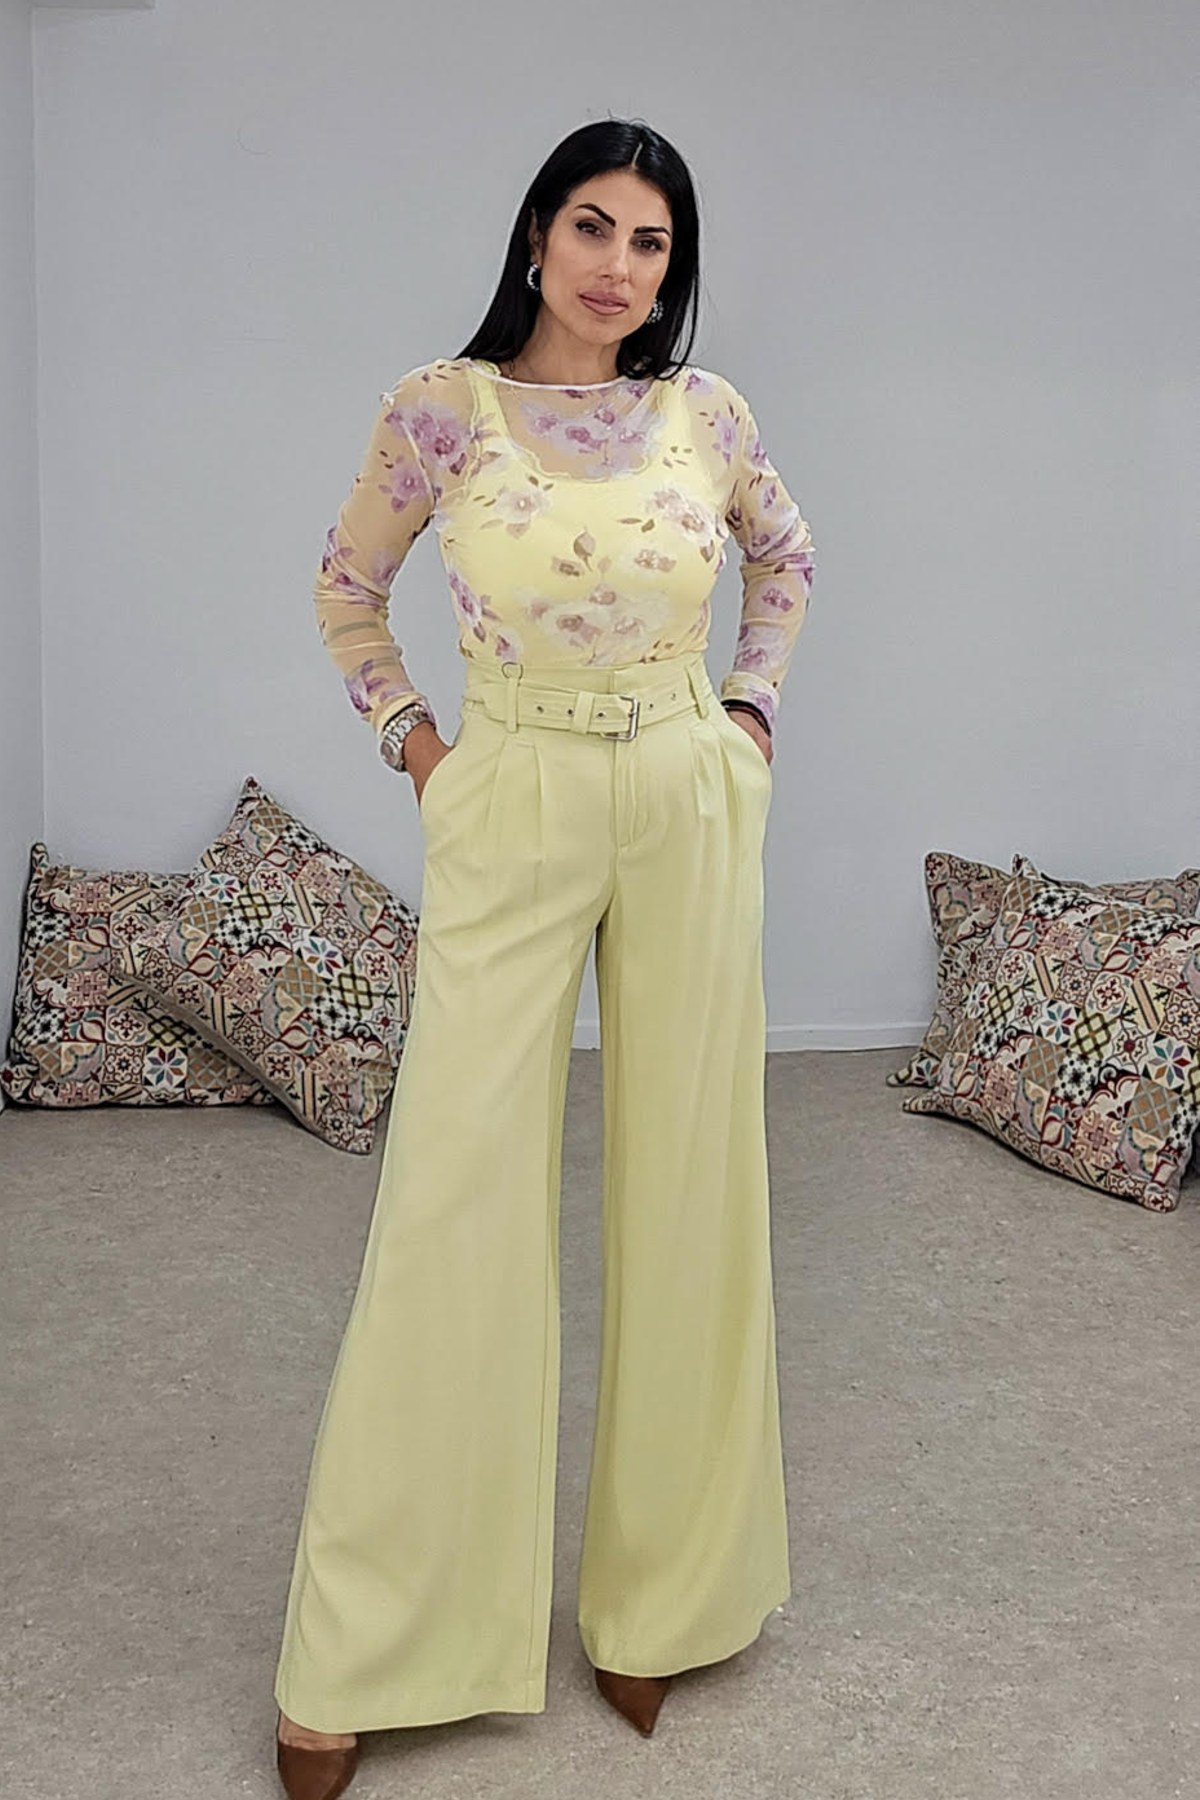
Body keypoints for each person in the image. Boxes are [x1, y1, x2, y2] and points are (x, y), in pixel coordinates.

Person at [272, 116, 816, 1800]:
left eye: (651, 242)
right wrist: (420, 749)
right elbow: (347, 591)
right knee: (455, 1196)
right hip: (507, 786)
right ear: (534, 235)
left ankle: (665, 1600)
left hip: (682, 793)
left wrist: (748, 719)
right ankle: (371, 1645)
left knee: (692, 1187)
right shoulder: (441, 408)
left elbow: (786, 558)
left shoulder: (706, 414)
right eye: (592, 225)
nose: (618, 266)